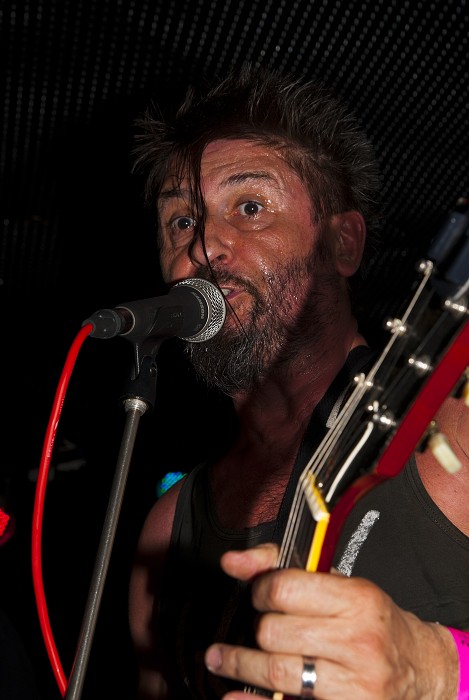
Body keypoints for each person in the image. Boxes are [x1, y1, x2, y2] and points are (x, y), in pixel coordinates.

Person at [128, 63, 469, 699]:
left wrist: (439, 672)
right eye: (181, 222)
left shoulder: (454, 430)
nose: (204, 246)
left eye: (249, 207)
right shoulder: (166, 531)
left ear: (344, 244)